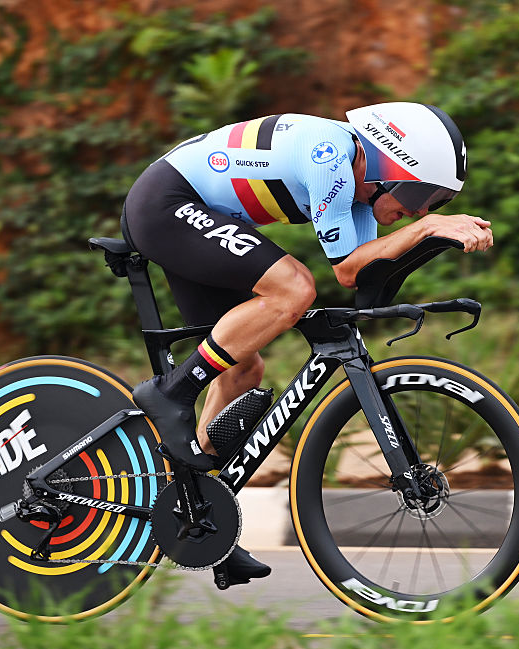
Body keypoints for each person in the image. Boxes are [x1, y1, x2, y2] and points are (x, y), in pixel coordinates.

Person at [122, 102, 493, 584]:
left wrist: (432, 238)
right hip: (168, 203)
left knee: (242, 369)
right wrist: (424, 229)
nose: (422, 208)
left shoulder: (361, 194)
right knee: (294, 287)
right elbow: (341, 266)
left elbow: (361, 277)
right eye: (422, 192)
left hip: (200, 215)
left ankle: (196, 514)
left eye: (438, 202)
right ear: (387, 163)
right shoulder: (330, 155)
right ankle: (171, 393)